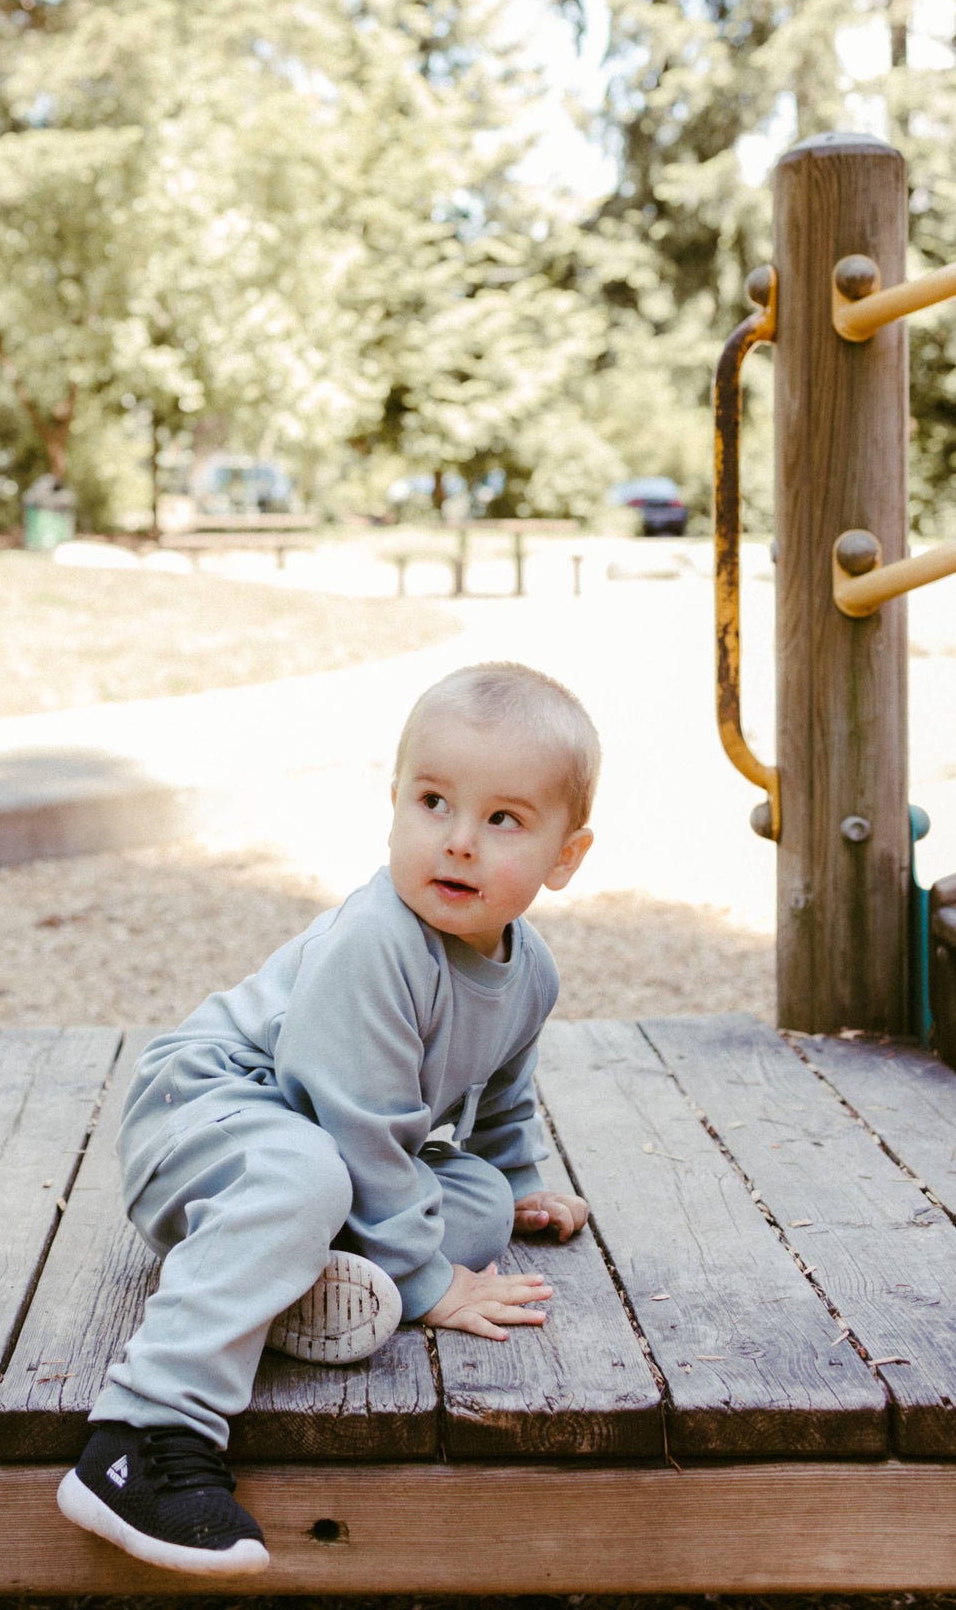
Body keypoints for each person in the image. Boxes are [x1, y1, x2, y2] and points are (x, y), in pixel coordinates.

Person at [57, 660, 599, 1575]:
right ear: (393, 805)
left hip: (314, 1156)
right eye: (433, 802)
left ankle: (274, 1283)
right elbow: (352, 1131)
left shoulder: (529, 970)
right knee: (313, 1179)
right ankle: (142, 1437)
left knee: (470, 1208)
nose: (458, 841)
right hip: (212, 1116)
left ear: (565, 857)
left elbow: (502, 1086)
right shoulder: (375, 942)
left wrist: (515, 1184)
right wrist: (429, 1287)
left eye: (502, 819)